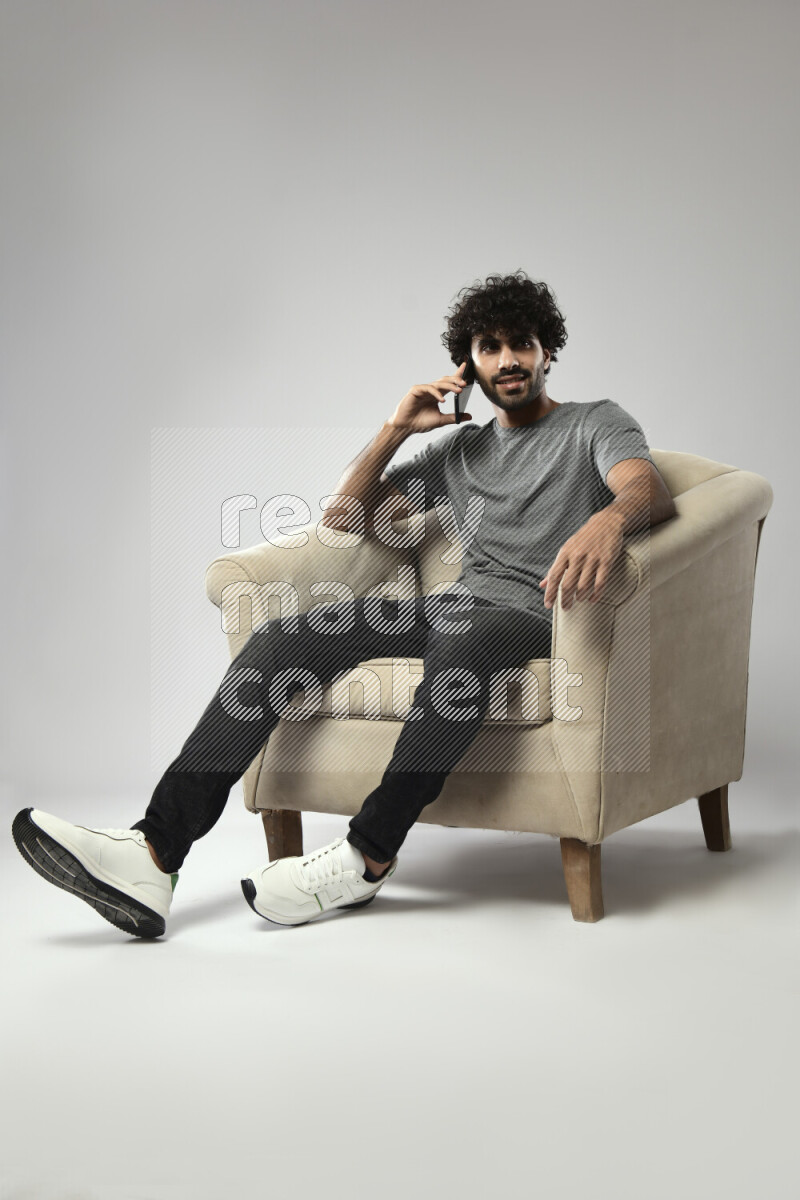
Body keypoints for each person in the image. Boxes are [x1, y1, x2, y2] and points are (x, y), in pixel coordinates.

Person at [11, 271, 676, 938]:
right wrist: (395, 430)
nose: (508, 360)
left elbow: (650, 492)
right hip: (457, 607)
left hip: (540, 612)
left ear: (548, 352)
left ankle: (368, 854)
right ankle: (154, 855)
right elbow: (347, 519)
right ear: (468, 362)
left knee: (463, 640)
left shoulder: (595, 423)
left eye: (522, 344)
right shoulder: (460, 450)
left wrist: (608, 522)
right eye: (491, 346)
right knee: (279, 641)